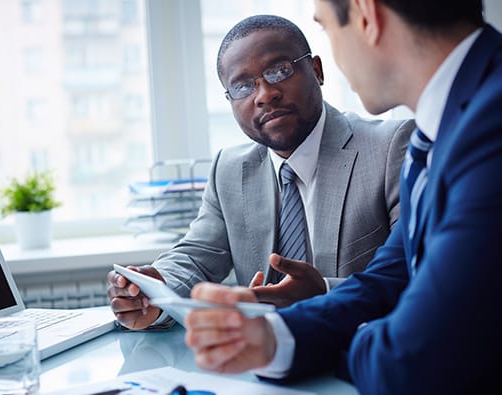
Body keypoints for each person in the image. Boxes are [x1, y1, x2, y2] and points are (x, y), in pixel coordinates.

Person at [184, 0, 502, 394]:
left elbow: (414, 358)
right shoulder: (442, 127)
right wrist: (274, 337)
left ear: (365, 14)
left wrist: (325, 344)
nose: (264, 95)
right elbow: (388, 277)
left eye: (327, 27)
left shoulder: (490, 127)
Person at [107, 15, 413, 330]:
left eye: (279, 71)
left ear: (317, 71)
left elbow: (414, 276)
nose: (265, 94)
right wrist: (153, 290)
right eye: (242, 86)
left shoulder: (390, 148)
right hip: (262, 360)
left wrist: (323, 294)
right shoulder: (229, 169)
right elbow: (196, 255)